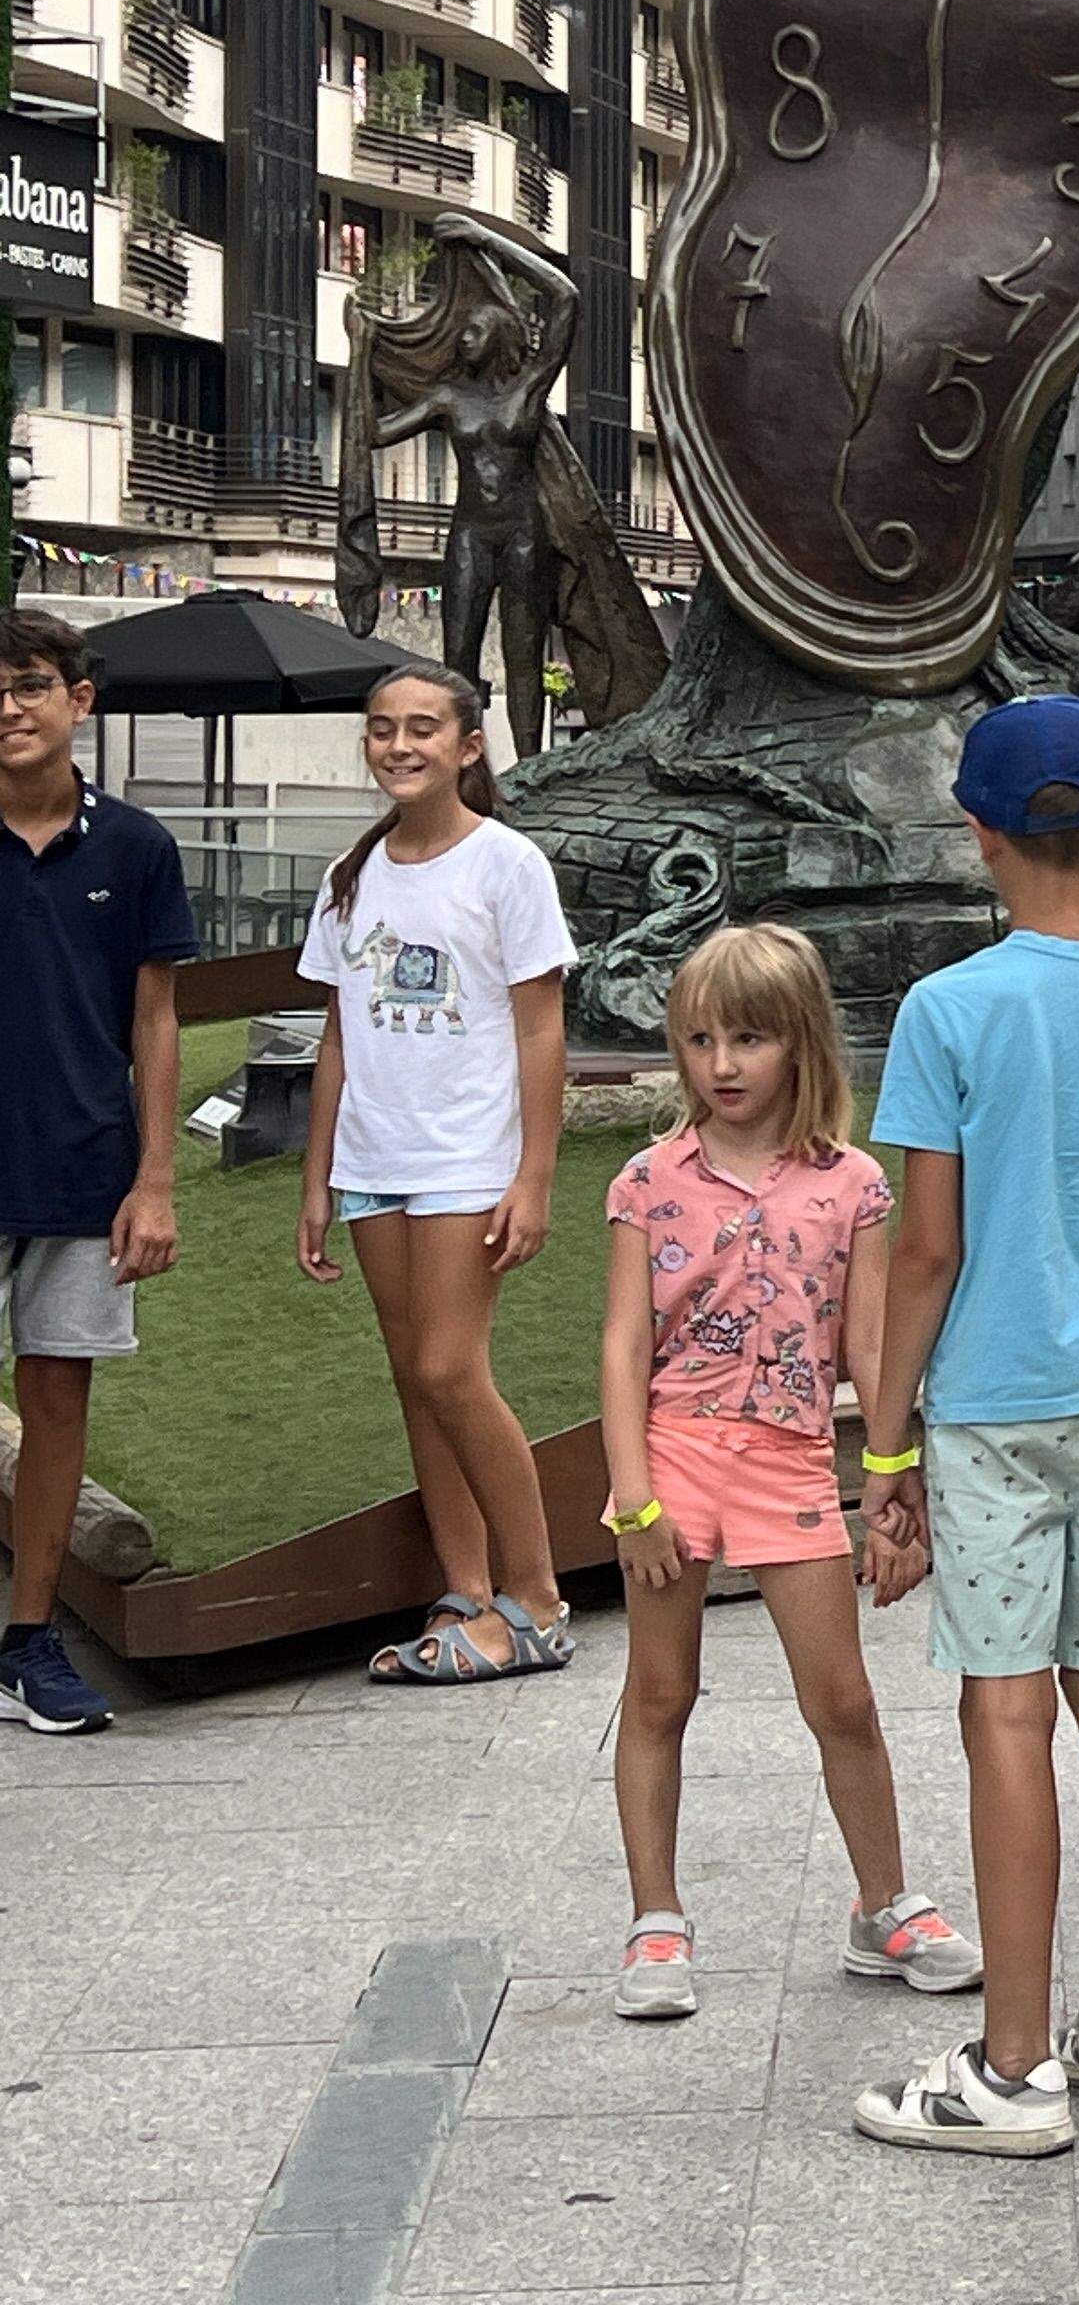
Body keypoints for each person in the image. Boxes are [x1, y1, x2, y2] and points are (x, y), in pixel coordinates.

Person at [852, 698, 1079, 2155]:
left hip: (993, 1404)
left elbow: (925, 1253)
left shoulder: (947, 1011)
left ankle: (1011, 2066)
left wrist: (886, 1445)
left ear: (979, 835)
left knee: (1005, 1707)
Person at [598, 923, 980, 2020]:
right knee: (661, 1694)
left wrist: (897, 1472)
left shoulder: (854, 1187)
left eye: (750, 1039)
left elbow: (868, 1349)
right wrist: (634, 1497)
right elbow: (624, 1344)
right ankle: (656, 1921)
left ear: (801, 1044)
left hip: (793, 1463)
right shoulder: (645, 1181)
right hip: (671, 1456)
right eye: (701, 1038)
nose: (722, 1064)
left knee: (844, 1699)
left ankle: (884, 1905)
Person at [295, 663, 578, 1686]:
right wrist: (318, 1177)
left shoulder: (507, 865)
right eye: (381, 730)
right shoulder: (353, 875)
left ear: (467, 746)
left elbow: (543, 1028)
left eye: (423, 728)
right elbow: (335, 1037)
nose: (399, 746)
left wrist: (534, 1176)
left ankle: (537, 1599)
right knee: (416, 1380)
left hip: (469, 1158)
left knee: (456, 1369)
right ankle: (467, 1588)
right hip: (376, 1160)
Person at [0, 612, 193, 1736]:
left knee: (58, 1405)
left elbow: (157, 1021)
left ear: (80, 700)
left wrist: (155, 1179)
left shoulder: (135, 847)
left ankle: (29, 1640)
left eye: (31, 685)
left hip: (84, 1172)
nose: (12, 708)